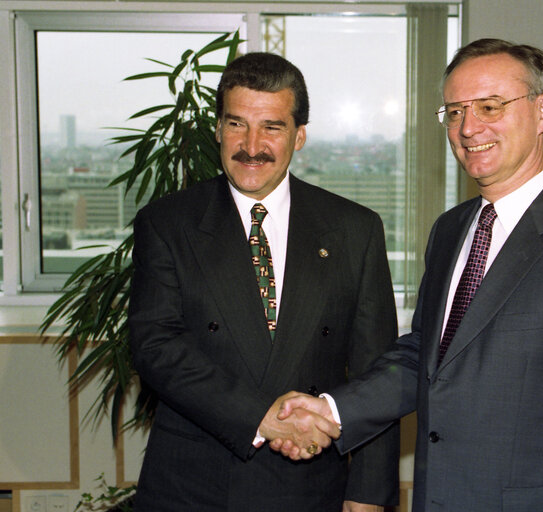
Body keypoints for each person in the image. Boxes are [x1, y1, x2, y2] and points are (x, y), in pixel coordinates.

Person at [275, 38, 543, 511]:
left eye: (490, 106)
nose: (468, 127)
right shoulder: (451, 229)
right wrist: (333, 410)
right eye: (454, 111)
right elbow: (428, 356)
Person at [128, 52, 399, 512]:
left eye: (271, 127)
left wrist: (368, 492)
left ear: (299, 136)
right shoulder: (167, 223)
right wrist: (261, 417)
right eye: (236, 124)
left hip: (311, 486)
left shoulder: (355, 229)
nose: (251, 145)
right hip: (193, 486)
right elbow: (155, 346)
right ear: (217, 129)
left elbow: (379, 369)